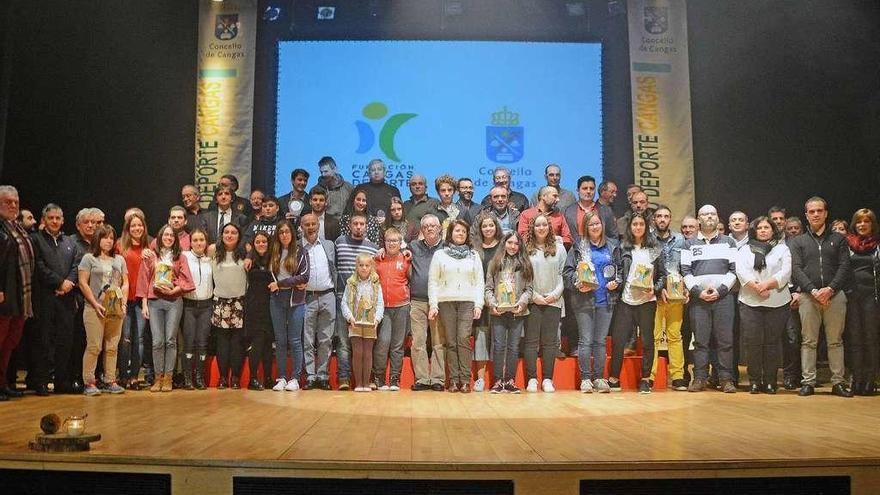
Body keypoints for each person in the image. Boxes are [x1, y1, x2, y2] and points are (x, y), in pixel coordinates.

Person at [790, 196, 851, 397]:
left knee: (835, 341)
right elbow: (796, 269)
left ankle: (838, 382)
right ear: (806, 215)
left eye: (819, 211)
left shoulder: (839, 239)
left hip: (835, 296)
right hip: (809, 296)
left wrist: (830, 289)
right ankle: (808, 382)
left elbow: (844, 266)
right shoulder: (798, 241)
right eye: (811, 211)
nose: (815, 214)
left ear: (826, 213)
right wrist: (813, 290)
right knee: (808, 341)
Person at [607, 212, 665, 394]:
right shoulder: (623, 248)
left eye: (641, 224)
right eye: (634, 224)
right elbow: (616, 271)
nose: (638, 227)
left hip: (647, 301)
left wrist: (654, 289)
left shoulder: (654, 249)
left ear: (646, 227)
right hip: (626, 300)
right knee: (618, 340)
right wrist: (614, 283)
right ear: (630, 228)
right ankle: (613, 378)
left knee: (647, 341)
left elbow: (663, 275)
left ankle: (646, 379)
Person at [682, 205, 738, 393]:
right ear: (699, 219)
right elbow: (685, 272)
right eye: (705, 214)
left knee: (725, 341)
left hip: (723, 299)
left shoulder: (729, 242)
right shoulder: (689, 244)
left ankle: (725, 379)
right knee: (700, 341)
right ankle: (699, 378)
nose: (709, 217)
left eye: (713, 214)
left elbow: (733, 271)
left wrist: (720, 291)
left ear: (717, 218)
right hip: (699, 300)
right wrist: (698, 292)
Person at [564, 210, 620, 393]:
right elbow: (568, 272)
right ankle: (586, 378)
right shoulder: (579, 247)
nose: (595, 227)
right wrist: (577, 284)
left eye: (597, 223)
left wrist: (616, 282)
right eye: (591, 224)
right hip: (584, 301)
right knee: (586, 340)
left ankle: (599, 378)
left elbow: (619, 270)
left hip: (606, 300)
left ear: (602, 225)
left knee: (600, 341)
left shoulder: (612, 246)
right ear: (585, 227)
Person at [736, 216, 792, 394]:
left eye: (766, 227)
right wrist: (757, 288)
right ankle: (754, 381)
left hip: (777, 301)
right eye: (759, 228)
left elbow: (786, 272)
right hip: (750, 301)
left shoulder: (782, 249)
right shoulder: (745, 250)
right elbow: (741, 271)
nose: (763, 230)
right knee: (752, 343)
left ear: (773, 230)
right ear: (754, 231)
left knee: (771, 343)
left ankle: (770, 381)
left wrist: (766, 285)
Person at [428, 219, 484, 393]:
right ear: (450, 233)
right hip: (446, 302)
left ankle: (466, 380)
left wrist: (479, 304)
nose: (460, 234)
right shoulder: (439, 255)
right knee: (451, 342)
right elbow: (433, 281)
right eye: (457, 230)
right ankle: (453, 380)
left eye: (463, 231)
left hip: (468, 301)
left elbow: (479, 282)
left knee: (463, 339)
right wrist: (433, 304)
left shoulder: (473, 255)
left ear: (467, 235)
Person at [137, 224, 195, 393]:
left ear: (175, 239)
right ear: (160, 237)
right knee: (157, 341)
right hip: (154, 302)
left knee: (170, 340)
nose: (168, 238)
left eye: (172, 236)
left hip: (174, 302)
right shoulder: (150, 256)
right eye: (166, 235)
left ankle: (168, 377)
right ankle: (157, 378)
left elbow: (188, 280)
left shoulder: (180, 257)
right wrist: (144, 304)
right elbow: (144, 280)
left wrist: (176, 289)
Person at [31, 204, 77, 396]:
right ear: (44, 220)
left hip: (66, 300)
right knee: (44, 341)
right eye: (51, 218)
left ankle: (61, 381)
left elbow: (76, 265)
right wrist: (59, 283)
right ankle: (41, 381)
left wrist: (68, 283)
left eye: (58, 218)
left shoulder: (69, 242)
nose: (55, 221)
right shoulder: (36, 240)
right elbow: (38, 266)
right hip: (46, 298)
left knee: (65, 342)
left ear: (63, 220)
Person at [78, 225, 128, 396]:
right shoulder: (89, 258)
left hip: (115, 308)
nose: (108, 241)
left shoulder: (119, 260)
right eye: (105, 237)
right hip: (94, 308)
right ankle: (89, 382)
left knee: (112, 346)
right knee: (94, 346)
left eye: (111, 238)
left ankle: (110, 380)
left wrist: (123, 303)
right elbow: (83, 282)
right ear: (98, 239)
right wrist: (94, 302)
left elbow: (125, 282)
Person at [334, 212, 380, 390]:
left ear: (366, 226)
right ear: (350, 225)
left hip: (366, 304)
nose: (359, 226)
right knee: (345, 342)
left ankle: (366, 379)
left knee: (366, 345)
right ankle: (345, 378)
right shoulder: (339, 242)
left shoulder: (373, 248)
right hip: (342, 298)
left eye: (362, 223)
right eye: (355, 223)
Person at [485, 232, 533, 394]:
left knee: (513, 347)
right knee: (498, 346)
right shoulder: (494, 263)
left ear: (520, 246)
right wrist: (492, 305)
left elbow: (529, 290)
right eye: (509, 242)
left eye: (516, 243)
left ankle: (510, 380)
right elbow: (488, 289)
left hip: (517, 311)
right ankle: (498, 381)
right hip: (498, 311)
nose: (512, 246)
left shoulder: (525, 264)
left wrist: (522, 303)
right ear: (504, 243)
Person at [0, 186, 35, 401]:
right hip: (5, 294)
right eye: (7, 202)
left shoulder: (18, 228)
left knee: (10, 341)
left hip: (20, 296)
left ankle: (3, 384)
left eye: (16, 201)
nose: (13, 205)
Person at [524, 214, 565, 393]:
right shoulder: (526, 249)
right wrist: (534, 296)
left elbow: (563, 274)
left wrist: (555, 294)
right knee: (531, 342)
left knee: (549, 343)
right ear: (532, 228)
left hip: (553, 301)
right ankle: (532, 378)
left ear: (549, 227)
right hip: (533, 301)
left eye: (544, 225)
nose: (541, 228)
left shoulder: (559, 248)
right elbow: (523, 277)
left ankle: (548, 379)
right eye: (537, 225)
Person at [268, 221, 309, 391]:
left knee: (295, 340)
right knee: (280, 341)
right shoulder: (273, 252)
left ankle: (295, 378)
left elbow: (304, 277)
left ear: (292, 234)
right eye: (281, 232)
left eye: (287, 232)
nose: (284, 235)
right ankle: (282, 377)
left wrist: (282, 284)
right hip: (276, 300)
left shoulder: (301, 251)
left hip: (296, 300)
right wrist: (286, 285)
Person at [651, 206, 688, 391]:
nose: (662, 219)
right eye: (659, 216)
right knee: (655, 337)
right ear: (654, 219)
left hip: (676, 295)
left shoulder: (681, 240)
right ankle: (651, 376)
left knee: (675, 336)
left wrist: (686, 288)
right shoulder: (648, 240)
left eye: (666, 216)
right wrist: (657, 290)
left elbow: (686, 267)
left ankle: (678, 376)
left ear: (670, 219)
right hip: (655, 294)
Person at [408, 214, 447, 391]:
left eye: (433, 226)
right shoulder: (413, 247)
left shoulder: (447, 248)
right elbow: (394, 250)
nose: (430, 228)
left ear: (439, 228)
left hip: (439, 302)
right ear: (422, 230)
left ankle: (438, 379)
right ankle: (422, 378)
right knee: (418, 341)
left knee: (439, 343)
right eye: (426, 226)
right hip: (417, 300)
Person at [844, 208, 880, 395]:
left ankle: (870, 379)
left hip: (872, 298)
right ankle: (857, 378)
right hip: (852, 296)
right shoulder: (848, 244)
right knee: (855, 339)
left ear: (872, 224)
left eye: (866, 221)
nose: (862, 225)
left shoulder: (877, 245)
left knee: (870, 339)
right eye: (859, 221)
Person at [115, 211, 152, 390]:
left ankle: (135, 376)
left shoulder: (150, 246)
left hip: (141, 299)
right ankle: (122, 375)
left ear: (144, 228)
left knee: (139, 340)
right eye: (133, 226)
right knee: (125, 339)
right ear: (128, 229)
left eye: (139, 225)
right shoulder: (119, 246)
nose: (137, 228)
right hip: (124, 299)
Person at [299, 213, 337, 390]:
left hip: (328, 296)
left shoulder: (329, 245)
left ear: (318, 225)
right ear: (301, 227)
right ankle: (310, 376)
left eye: (314, 223)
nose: (311, 227)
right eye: (307, 224)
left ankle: (322, 375)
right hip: (307, 297)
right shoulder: (297, 247)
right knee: (307, 339)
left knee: (326, 339)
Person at [372, 227, 410, 391]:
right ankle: (379, 377)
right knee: (383, 342)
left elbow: (412, 281)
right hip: (383, 309)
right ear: (384, 243)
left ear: (400, 243)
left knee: (397, 345)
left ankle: (395, 378)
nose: (392, 244)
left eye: (395, 241)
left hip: (402, 307)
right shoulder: (378, 260)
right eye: (389, 241)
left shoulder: (406, 259)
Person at [210, 223, 248, 389]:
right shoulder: (213, 251)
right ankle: (224, 377)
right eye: (226, 232)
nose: (230, 235)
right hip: (220, 302)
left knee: (237, 343)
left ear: (239, 236)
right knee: (222, 344)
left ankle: (236, 378)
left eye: (233, 233)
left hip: (240, 302)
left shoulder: (245, 253)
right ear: (221, 234)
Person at [341, 253, 384, 392]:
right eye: (361, 265)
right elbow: (344, 303)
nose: (364, 268)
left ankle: (366, 383)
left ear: (371, 266)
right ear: (356, 266)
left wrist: (377, 319)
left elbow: (380, 303)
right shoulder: (351, 283)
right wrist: (349, 317)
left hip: (371, 323)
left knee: (368, 352)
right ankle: (359, 383)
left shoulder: (376, 283)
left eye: (367, 265)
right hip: (355, 322)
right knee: (358, 352)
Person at [470, 213, 503, 392]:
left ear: (496, 226)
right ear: (480, 229)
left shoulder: (504, 246)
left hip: (501, 299)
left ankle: (499, 378)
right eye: (484, 226)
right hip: (479, 300)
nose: (488, 229)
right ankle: (481, 379)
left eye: (491, 225)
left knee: (498, 339)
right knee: (481, 339)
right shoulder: (474, 249)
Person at [241, 231, 274, 391]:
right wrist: (248, 255)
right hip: (254, 305)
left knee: (268, 344)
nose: (261, 244)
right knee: (258, 342)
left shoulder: (274, 260)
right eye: (258, 242)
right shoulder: (249, 261)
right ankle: (252, 379)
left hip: (270, 306)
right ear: (253, 245)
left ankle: (268, 378)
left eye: (264, 241)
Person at [181, 228, 213, 390]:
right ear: (190, 242)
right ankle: (187, 377)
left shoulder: (210, 259)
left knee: (202, 343)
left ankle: (199, 377)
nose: (199, 243)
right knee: (189, 342)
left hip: (207, 306)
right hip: (189, 306)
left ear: (206, 242)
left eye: (202, 240)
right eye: (195, 240)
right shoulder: (184, 257)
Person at [563, 175, 618, 243]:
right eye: (585, 188)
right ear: (577, 190)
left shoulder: (606, 211)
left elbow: (614, 237)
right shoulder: (569, 211)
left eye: (591, 188)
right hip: (575, 251)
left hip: (601, 251)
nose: (588, 191)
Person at [316, 156, 354, 221]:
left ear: (335, 169)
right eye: (321, 172)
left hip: (345, 226)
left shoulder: (348, 187)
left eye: (326, 171)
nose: (323, 175)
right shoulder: (316, 190)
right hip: (325, 226)